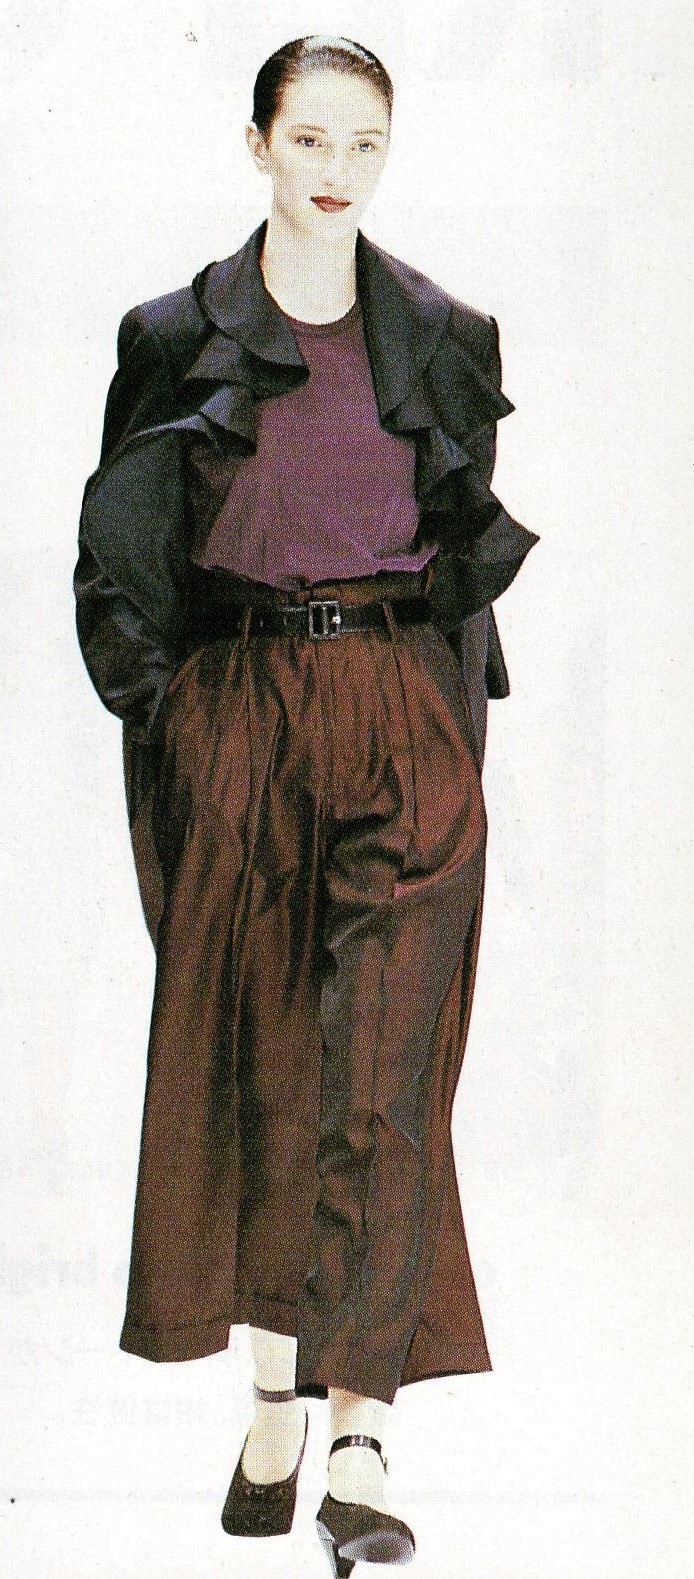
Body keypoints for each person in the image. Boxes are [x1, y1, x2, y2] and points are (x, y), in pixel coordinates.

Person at [73, 32, 538, 1575]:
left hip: (402, 720)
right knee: (270, 1067)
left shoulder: (446, 334)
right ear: (257, 144)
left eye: (364, 143)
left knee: (383, 1075)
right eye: (310, 139)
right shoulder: (171, 336)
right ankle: (271, 1401)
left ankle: (359, 1435)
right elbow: (117, 559)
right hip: (243, 723)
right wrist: (175, 722)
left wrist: (446, 741)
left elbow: (460, 557)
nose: (336, 170)